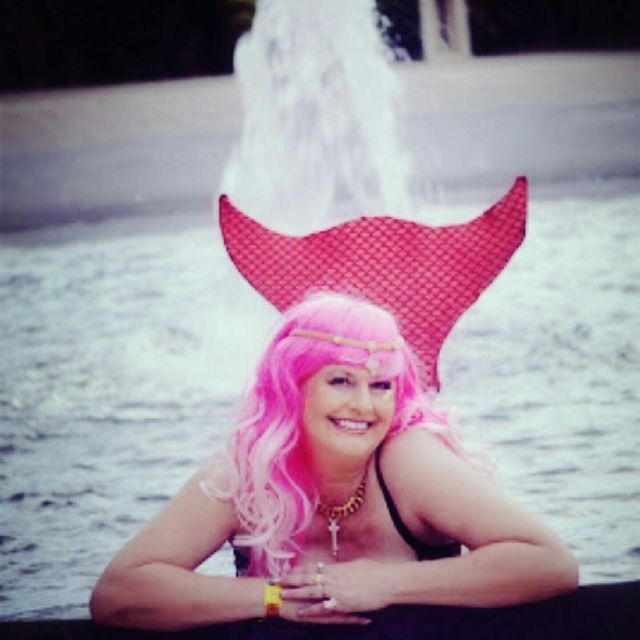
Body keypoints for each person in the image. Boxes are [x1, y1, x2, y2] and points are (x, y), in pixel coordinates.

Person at [90, 292, 579, 631]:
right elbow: (119, 593)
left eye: (381, 385)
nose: (364, 406)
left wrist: (387, 584)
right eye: (340, 381)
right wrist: (276, 598)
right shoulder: (248, 470)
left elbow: (548, 563)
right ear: (293, 386)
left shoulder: (407, 458)